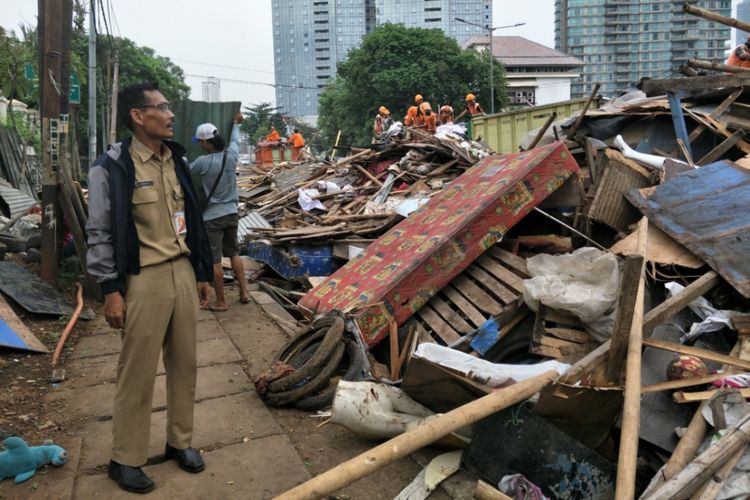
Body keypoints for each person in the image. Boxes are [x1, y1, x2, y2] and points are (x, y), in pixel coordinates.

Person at [86, 82, 213, 494]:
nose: (171, 114)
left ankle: (180, 441)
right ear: (138, 116)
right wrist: (111, 289)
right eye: (162, 107)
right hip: (143, 279)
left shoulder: (176, 159)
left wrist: (202, 272)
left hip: (180, 270)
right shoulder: (113, 167)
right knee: (137, 373)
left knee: (185, 364)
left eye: (169, 106)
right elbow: (100, 231)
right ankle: (125, 458)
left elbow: (192, 216)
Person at [190, 112, 250, 312]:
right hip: (232, 213)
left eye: (200, 142)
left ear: (207, 143)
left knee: (215, 260)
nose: (200, 145)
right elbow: (234, 140)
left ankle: (221, 301)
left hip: (212, 218)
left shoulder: (202, 162)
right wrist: (235, 123)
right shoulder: (232, 156)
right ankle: (244, 292)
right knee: (234, 253)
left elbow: (184, 173)